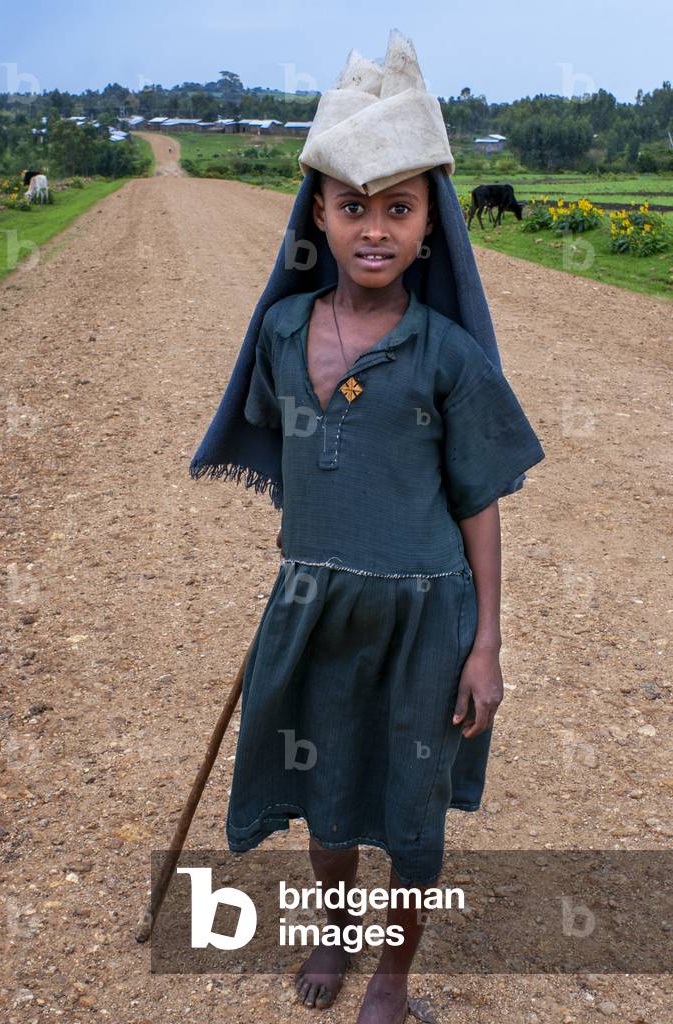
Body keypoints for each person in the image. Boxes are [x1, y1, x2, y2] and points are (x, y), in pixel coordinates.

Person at [189, 30, 545, 1024]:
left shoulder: (448, 358)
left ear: (429, 221)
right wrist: (303, 558)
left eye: (398, 206)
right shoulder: (279, 332)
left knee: (413, 812)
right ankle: (337, 928)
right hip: (315, 610)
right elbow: (298, 451)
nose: (374, 229)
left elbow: (476, 499)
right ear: (319, 213)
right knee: (324, 795)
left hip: (425, 620)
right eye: (352, 206)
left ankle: (392, 971)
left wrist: (484, 642)